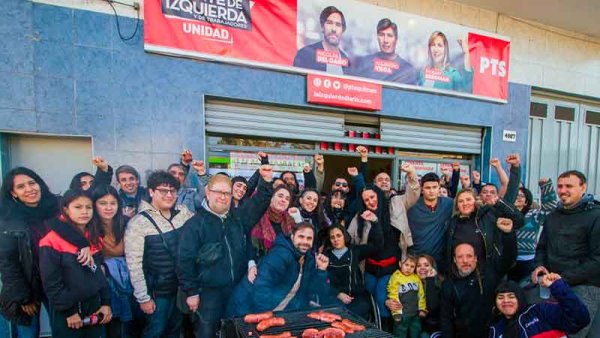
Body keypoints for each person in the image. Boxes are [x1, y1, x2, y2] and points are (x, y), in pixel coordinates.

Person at [177, 166, 273, 337]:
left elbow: (258, 204)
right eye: (218, 192)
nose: (222, 197)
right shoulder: (194, 225)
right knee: (206, 332)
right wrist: (191, 292)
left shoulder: (237, 217)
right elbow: (184, 261)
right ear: (207, 192)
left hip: (236, 288)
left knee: (234, 331)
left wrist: (265, 182)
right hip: (208, 294)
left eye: (227, 193)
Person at [0, 167, 93, 337]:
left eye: (32, 183)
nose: (29, 189)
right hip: (28, 286)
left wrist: (83, 243)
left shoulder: (57, 208)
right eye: (21, 187)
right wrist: (23, 298)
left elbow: (87, 202)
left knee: (64, 330)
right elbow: (8, 263)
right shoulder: (8, 221)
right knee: (28, 333)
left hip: (57, 282)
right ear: (13, 193)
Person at [347, 163, 420, 331]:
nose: (370, 201)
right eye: (366, 200)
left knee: (383, 299)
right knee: (370, 300)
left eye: (372, 197)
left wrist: (411, 173)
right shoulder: (361, 216)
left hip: (391, 267)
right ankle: (372, 330)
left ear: (379, 195)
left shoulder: (395, 203)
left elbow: (414, 193)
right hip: (370, 268)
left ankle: (384, 332)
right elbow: (348, 238)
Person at [124, 171, 194, 338]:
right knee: (155, 331)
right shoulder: (138, 223)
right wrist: (143, 298)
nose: (169, 195)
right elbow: (134, 264)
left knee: (175, 330)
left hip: (179, 289)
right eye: (163, 190)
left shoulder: (183, 214)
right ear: (151, 192)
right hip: (156, 293)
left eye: (173, 191)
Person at [532, 170, 600, 338]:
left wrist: (563, 279)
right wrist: (539, 266)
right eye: (560, 186)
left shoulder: (596, 216)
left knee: (574, 334)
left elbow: (597, 259)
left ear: (583, 187)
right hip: (553, 286)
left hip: (584, 288)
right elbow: (541, 248)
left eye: (569, 186)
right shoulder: (553, 216)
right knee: (552, 333)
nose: (562, 190)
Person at [39, 189, 112, 337]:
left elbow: (100, 274)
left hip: (94, 307)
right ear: (66, 209)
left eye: (88, 207)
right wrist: (69, 311)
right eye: (78, 207)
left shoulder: (93, 237)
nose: (84, 212)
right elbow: (52, 283)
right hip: (67, 311)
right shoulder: (50, 241)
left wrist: (105, 303)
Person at [231, 223, 331, 315]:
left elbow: (312, 291)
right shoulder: (280, 254)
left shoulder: (309, 260)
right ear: (292, 236)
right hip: (245, 310)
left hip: (277, 311)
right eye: (301, 237)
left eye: (309, 238)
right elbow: (261, 288)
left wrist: (321, 271)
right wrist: (265, 318)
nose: (305, 242)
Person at [440, 217, 516, 338]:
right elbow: (446, 318)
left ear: (475, 258)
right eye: (460, 257)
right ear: (454, 260)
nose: (465, 261)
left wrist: (508, 235)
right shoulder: (448, 285)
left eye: (469, 256)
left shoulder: (490, 272)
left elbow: (508, 258)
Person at [89, 185, 142, 338]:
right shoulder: (89, 227)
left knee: (131, 326)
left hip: (129, 281)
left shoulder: (126, 223)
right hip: (102, 285)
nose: (109, 208)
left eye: (113, 203)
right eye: (103, 203)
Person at [446, 188, 524, 270]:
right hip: (461, 273)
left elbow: (519, 220)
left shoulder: (488, 215)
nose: (465, 203)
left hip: (487, 272)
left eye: (468, 199)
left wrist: (498, 203)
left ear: (475, 201)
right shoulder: (452, 223)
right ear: (457, 205)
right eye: (461, 201)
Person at [489, 275, 590, 337]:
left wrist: (558, 287)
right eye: (500, 297)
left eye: (511, 296)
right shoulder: (496, 329)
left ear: (519, 297)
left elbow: (580, 319)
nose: (506, 301)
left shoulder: (540, 311)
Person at [324, 223, 383, 319]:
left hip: (355, 297)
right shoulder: (326, 256)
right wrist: (337, 293)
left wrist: (375, 223)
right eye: (332, 237)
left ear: (344, 236)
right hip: (334, 297)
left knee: (360, 309)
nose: (336, 239)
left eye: (339, 235)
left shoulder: (355, 251)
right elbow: (322, 281)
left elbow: (377, 246)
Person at [407, 169, 457, 274]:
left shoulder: (448, 204)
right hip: (415, 259)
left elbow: (467, 201)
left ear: (439, 188)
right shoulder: (412, 205)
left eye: (434, 187)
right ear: (422, 189)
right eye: (428, 187)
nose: (431, 190)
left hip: (438, 262)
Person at [508, 178, 557, 284]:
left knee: (526, 290)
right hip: (508, 261)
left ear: (526, 202)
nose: (517, 197)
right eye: (515, 194)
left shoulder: (534, 215)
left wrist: (546, 187)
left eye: (521, 195)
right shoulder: (505, 215)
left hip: (528, 261)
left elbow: (550, 210)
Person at [352, 18, 418, 84]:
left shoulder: (407, 70)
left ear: (396, 39)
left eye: (390, 36)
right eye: (382, 35)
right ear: (377, 38)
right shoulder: (365, 62)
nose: (385, 40)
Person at [293, 6, 351, 75]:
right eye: (329, 23)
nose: (334, 29)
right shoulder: (305, 54)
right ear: (322, 27)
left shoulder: (346, 60)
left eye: (338, 25)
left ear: (342, 30)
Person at [250, 185, 295, 262]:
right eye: (280, 196)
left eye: (287, 199)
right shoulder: (258, 215)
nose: (283, 200)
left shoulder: (291, 221)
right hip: (260, 264)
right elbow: (250, 247)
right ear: (272, 197)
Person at [387, 255, 426, 338]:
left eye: (412, 266)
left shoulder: (416, 278)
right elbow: (393, 294)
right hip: (402, 315)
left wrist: (422, 308)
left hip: (415, 313)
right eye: (406, 265)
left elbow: (421, 295)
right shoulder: (396, 277)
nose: (408, 268)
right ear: (400, 264)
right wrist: (396, 313)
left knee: (416, 331)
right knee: (400, 332)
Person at [416, 255, 442, 337]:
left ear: (433, 268)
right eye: (419, 265)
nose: (422, 268)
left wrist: (430, 280)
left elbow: (432, 307)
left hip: (435, 328)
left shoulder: (441, 284)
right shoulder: (411, 284)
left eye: (426, 265)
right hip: (417, 327)